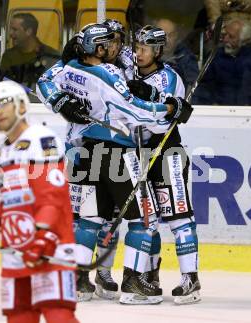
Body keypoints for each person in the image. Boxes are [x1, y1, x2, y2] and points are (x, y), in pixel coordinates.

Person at [37, 23, 194, 304]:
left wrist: (60, 101)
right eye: (110, 43)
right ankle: (133, 284)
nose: (119, 48)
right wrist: (171, 108)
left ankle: (78, 282)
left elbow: (44, 83)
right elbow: (137, 111)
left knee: (89, 220)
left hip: (86, 150)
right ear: (97, 47)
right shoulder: (108, 72)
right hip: (119, 152)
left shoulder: (70, 66)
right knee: (145, 219)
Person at [0, 80, 79, 323]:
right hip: (16, 246)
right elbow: (12, 196)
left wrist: (43, 233)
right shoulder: (0, 151)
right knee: (19, 315)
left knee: (58, 312)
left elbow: (53, 196)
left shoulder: (42, 139)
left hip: (49, 242)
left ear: (21, 105)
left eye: (4, 104)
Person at [129, 25, 201, 305]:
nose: (139, 53)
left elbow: (165, 116)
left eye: (145, 48)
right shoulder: (128, 74)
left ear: (158, 51)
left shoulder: (170, 77)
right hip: (139, 154)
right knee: (147, 220)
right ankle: (150, 277)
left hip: (167, 152)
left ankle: (190, 279)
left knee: (179, 217)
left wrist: (145, 94)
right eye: (137, 47)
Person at [193, 17, 251, 105]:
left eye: (231, 37)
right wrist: (211, 104)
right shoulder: (215, 56)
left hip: (249, 112)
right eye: (225, 35)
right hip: (219, 110)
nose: (225, 40)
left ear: (245, 40)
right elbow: (203, 87)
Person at [0, 13, 61, 90]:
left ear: (28, 31)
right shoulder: (9, 56)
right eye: (11, 29)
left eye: (15, 29)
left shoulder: (51, 56)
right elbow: (3, 86)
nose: (10, 34)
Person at [154, 18, 200, 92]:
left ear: (176, 36)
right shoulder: (143, 55)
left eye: (171, 35)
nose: (166, 40)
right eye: (161, 35)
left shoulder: (186, 58)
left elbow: (194, 87)